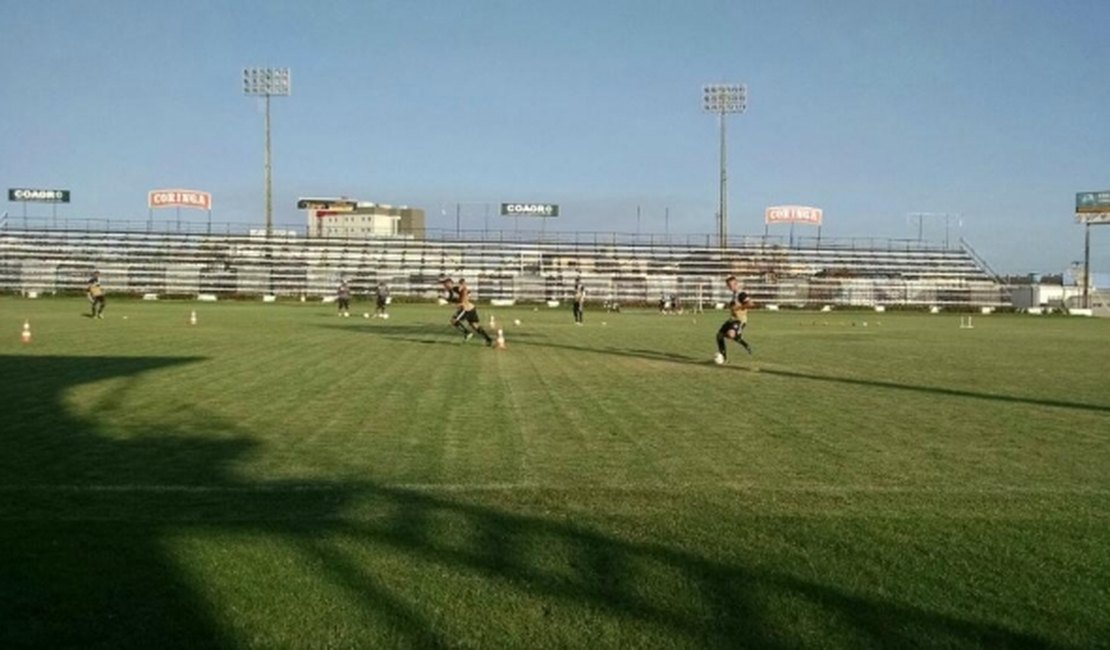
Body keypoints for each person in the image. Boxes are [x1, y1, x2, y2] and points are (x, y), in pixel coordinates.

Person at [714, 275, 753, 364]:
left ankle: (744, 343)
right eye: (728, 285)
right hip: (733, 319)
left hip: (740, 320)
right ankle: (724, 358)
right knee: (719, 335)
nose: (729, 287)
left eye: (730, 285)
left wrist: (738, 307)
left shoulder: (741, 294)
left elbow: (751, 304)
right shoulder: (734, 294)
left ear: (736, 284)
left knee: (730, 335)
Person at [445, 277, 493, 345]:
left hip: (465, 309)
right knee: (475, 326)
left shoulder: (460, 289)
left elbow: (462, 302)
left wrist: (449, 303)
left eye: (446, 284)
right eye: (445, 284)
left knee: (453, 320)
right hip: (471, 308)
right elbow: (463, 296)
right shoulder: (453, 290)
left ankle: (467, 333)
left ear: (450, 283)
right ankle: (488, 339)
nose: (445, 286)